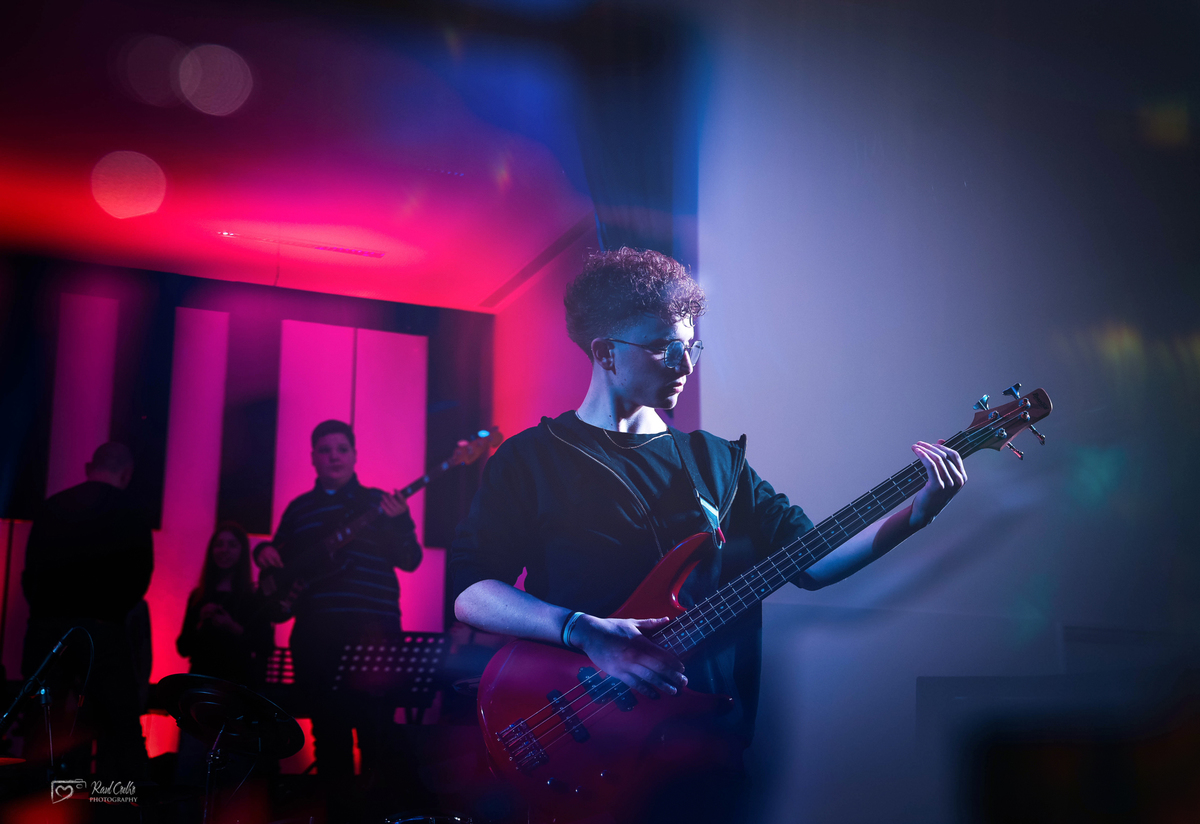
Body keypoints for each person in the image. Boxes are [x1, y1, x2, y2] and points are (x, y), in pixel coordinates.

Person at [449, 248, 968, 823]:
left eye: (691, 346)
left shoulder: (717, 462)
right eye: (665, 347)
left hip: (704, 747)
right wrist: (584, 631)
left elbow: (813, 564)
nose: (685, 364)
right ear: (605, 352)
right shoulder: (531, 459)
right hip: (583, 737)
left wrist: (917, 514)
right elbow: (470, 592)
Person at [253, 419, 422, 816]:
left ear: (354, 455)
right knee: (330, 739)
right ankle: (339, 815)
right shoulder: (300, 509)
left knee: (377, 735)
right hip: (317, 638)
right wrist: (262, 553)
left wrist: (401, 521)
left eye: (342, 449)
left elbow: (411, 559)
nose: (334, 456)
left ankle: (378, 817)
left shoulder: (380, 504)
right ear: (313, 457)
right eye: (325, 450)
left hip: (374, 636)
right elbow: (279, 561)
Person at [21, 441, 154, 782]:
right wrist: (110, 614)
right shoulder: (132, 512)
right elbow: (140, 575)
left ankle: (33, 800)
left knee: (41, 729)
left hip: (47, 631)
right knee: (120, 729)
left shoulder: (53, 507)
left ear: (88, 467)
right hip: (103, 631)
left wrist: (46, 613)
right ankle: (118, 801)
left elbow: (30, 573)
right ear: (126, 474)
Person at [176, 523, 271, 688]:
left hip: (237, 682)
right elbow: (183, 647)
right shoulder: (198, 596)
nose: (224, 550)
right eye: (219, 544)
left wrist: (232, 627)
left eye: (232, 545)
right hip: (202, 680)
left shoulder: (254, 598)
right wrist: (199, 622)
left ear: (242, 552)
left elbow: (266, 646)